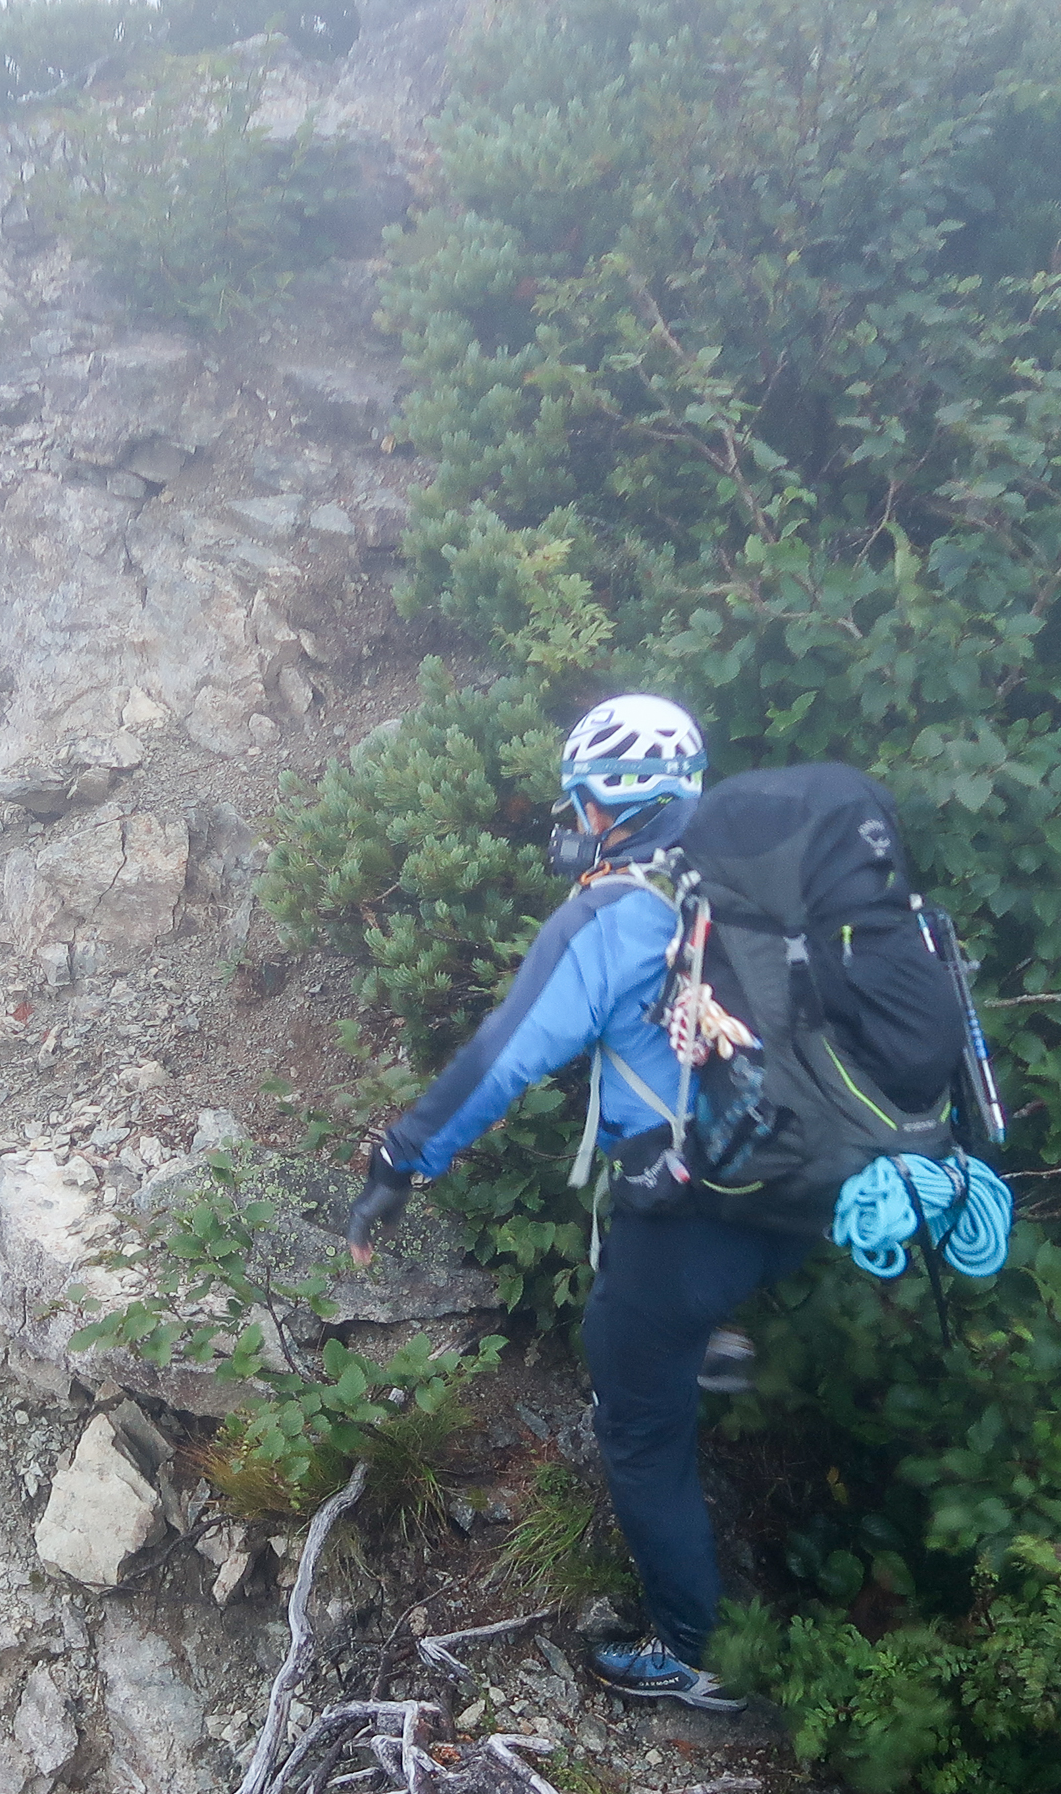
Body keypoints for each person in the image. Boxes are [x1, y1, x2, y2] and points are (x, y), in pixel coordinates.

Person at [342, 694, 957, 1711]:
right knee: (676, 1310)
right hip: (810, 1197)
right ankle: (708, 1343)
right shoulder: (751, 893)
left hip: (693, 1213)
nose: (570, 817)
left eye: (576, 799)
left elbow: (505, 1057)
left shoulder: (617, 908)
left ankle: (694, 1654)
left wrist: (398, 1160)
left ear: (607, 801)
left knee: (633, 1413)